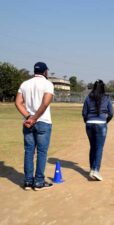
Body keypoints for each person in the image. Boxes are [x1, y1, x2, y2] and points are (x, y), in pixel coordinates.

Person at [15, 62, 54, 191]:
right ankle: (38, 182)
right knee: (42, 153)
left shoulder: (25, 84)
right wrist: (34, 118)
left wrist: (28, 117)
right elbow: (45, 103)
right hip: (42, 121)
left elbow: (18, 102)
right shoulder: (48, 84)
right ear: (45, 72)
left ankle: (27, 181)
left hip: (28, 123)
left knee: (29, 152)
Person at [82, 80, 113, 180]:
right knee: (99, 148)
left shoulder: (88, 98)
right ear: (103, 87)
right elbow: (111, 113)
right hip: (101, 124)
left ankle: (92, 169)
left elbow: (84, 113)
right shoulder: (106, 98)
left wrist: (87, 121)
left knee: (93, 147)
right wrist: (105, 121)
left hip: (89, 124)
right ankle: (96, 170)